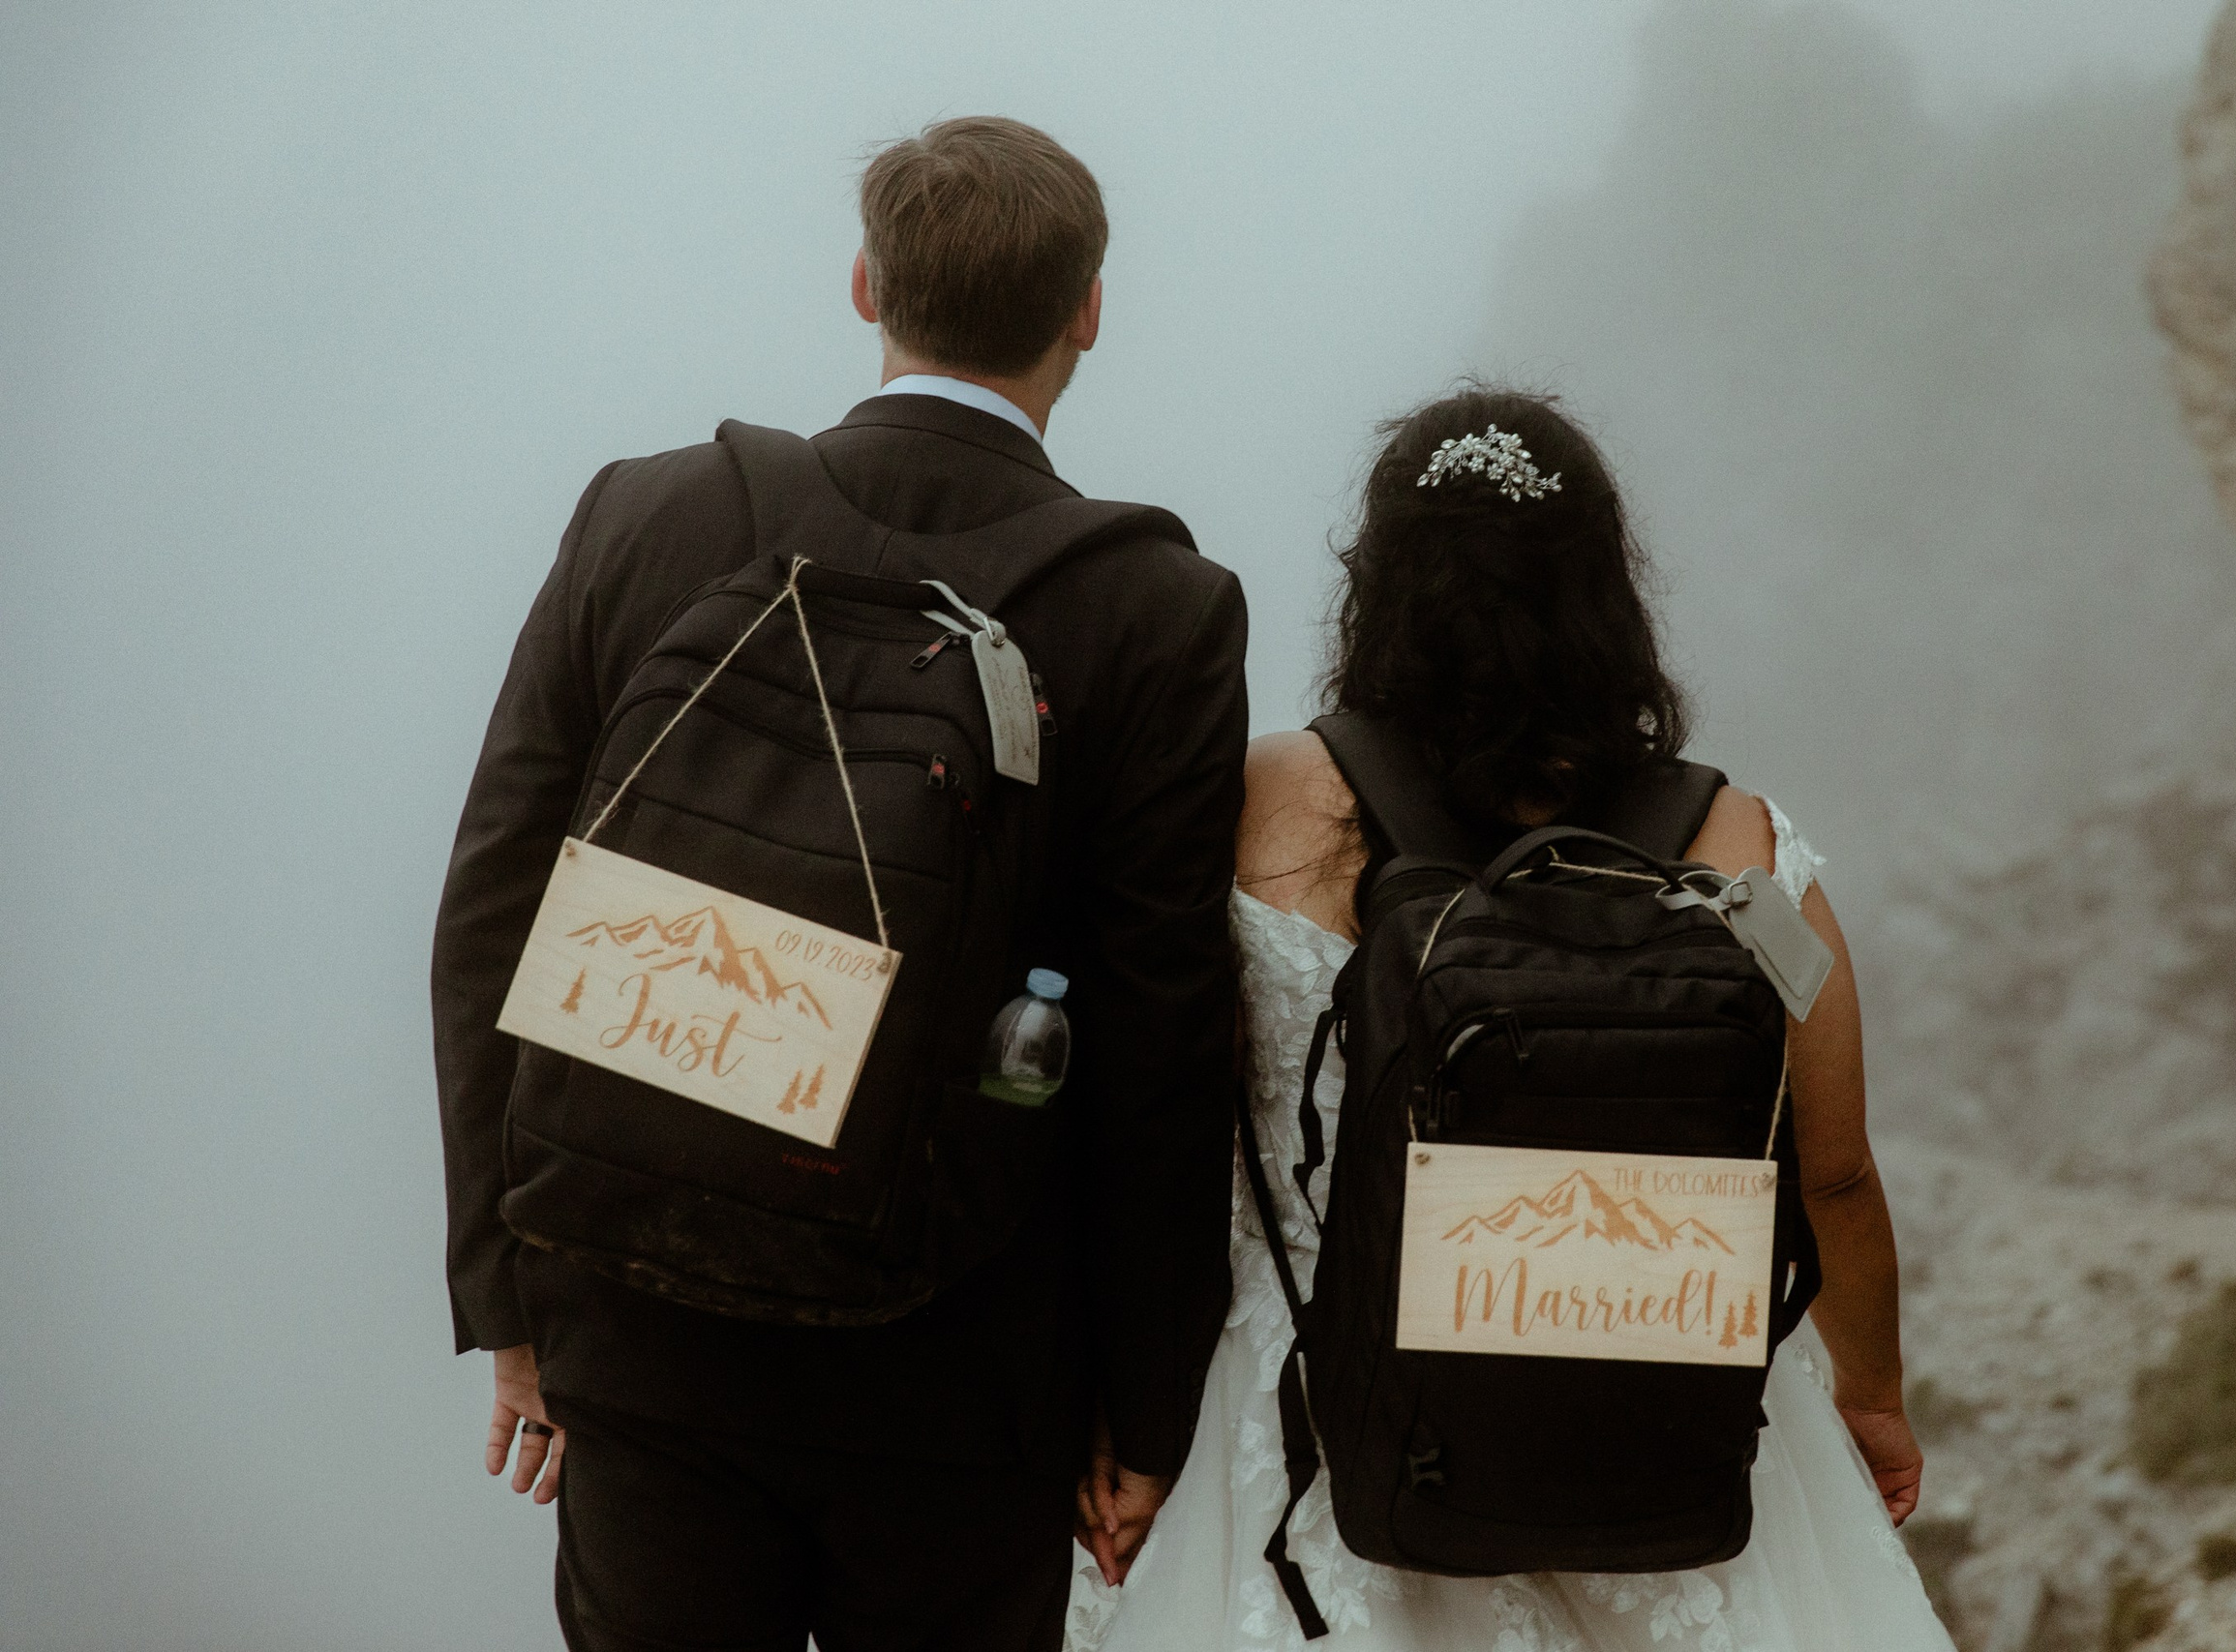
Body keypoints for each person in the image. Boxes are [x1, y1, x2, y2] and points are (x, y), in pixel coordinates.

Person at [431, 117, 1248, 1651]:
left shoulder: (646, 515)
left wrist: (515, 1294)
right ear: (1087, 309)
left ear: (865, 282)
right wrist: (1148, 1402)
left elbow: (494, 912)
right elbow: (1157, 1040)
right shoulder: (1158, 611)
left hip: (639, 1316)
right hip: (966, 1369)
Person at [1064, 388, 1954, 1650]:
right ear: (1605, 590)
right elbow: (1838, 1170)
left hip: (1330, 1423)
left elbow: (1145, 1120)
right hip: (1654, 1413)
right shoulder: (1742, 842)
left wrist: (1126, 1415)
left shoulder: (1255, 804)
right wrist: (1870, 1395)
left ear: (1376, 585)